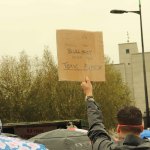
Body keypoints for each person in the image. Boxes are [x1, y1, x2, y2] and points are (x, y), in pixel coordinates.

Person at [81, 76, 150, 150]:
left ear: (118, 129)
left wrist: (89, 95)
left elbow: (97, 129)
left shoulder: (107, 147)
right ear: (142, 128)